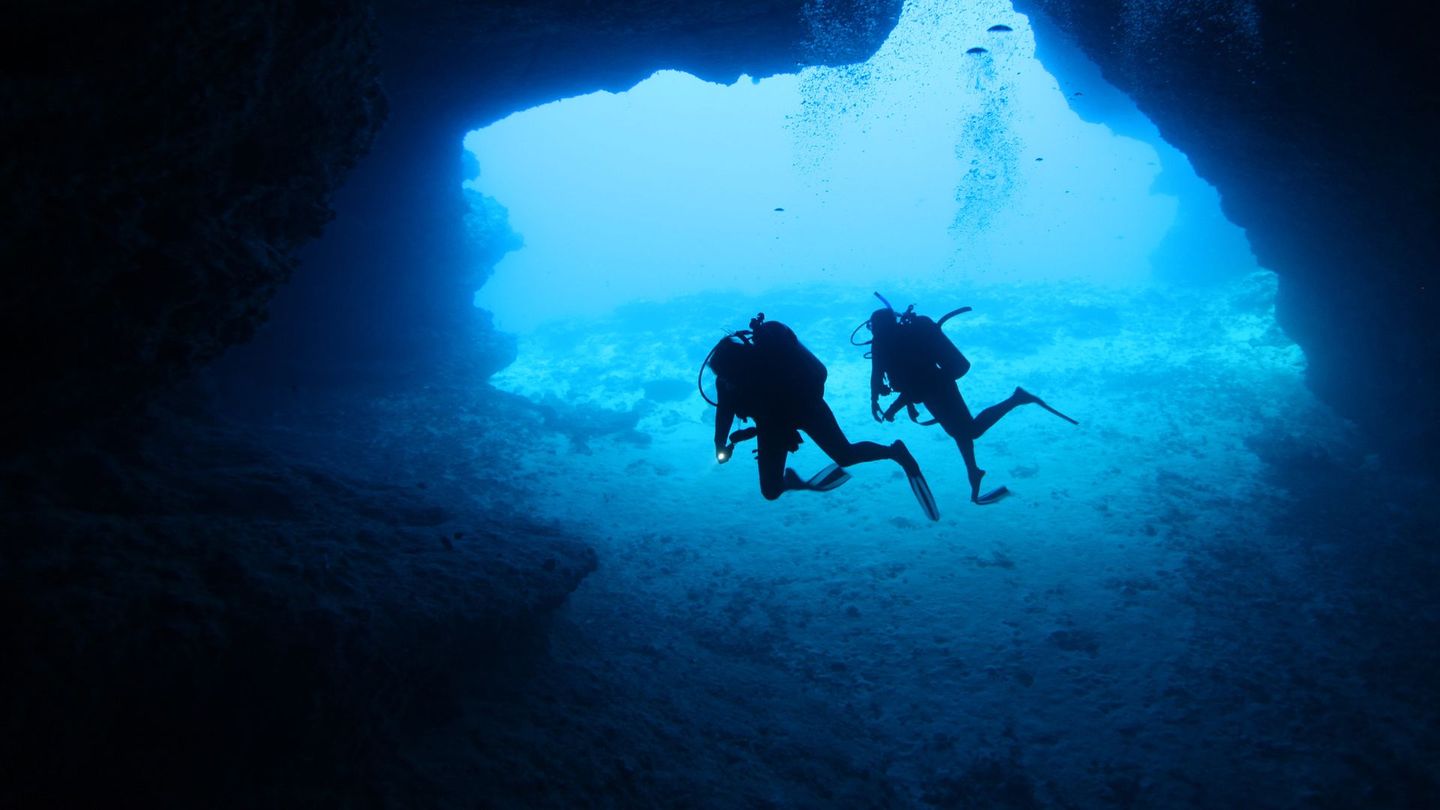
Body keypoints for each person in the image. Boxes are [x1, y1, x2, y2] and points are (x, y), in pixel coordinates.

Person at [701, 313, 939, 521]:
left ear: (738, 365)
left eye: (728, 376)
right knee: (770, 491)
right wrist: (720, 443)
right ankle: (791, 480)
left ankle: (895, 452)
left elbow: (791, 395)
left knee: (845, 455)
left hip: (806, 405)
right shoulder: (726, 381)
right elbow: (724, 413)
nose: (726, 382)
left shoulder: (769, 364)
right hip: (772, 422)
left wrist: (776, 430)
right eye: (723, 377)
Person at [863, 297, 1077, 505]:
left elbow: (914, 384)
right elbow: (878, 373)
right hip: (935, 386)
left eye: (875, 327)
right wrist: (875, 400)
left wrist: (892, 408)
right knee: (960, 430)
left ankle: (1016, 399)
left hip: (939, 386)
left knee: (969, 430)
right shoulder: (885, 343)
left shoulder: (894, 343)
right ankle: (973, 471)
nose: (874, 332)